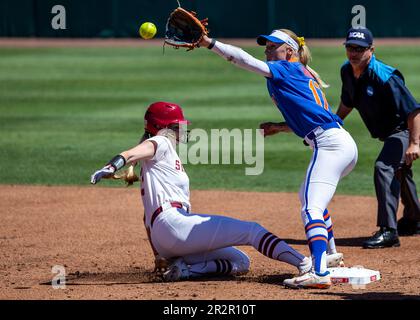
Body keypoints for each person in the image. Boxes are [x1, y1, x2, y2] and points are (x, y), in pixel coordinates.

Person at [90, 102, 344, 284]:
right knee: (253, 231)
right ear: (162, 127)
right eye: (177, 125)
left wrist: (159, 255)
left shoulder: (155, 166)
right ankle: (306, 264)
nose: (181, 129)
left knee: (241, 263)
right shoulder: (161, 142)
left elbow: (146, 221)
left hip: (165, 238)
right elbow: (134, 151)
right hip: (174, 224)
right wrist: (113, 165)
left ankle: (185, 270)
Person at [198, 30, 358, 289]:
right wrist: (279, 127)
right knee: (309, 196)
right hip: (340, 143)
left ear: (289, 51)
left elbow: (241, 59)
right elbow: (312, 117)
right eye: (266, 47)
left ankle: (319, 272)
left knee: (310, 208)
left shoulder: (286, 68)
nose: (267, 51)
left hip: (329, 145)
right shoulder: (300, 71)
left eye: (273, 46)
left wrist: (210, 43)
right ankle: (329, 257)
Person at [337, 28, 420, 249]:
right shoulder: (347, 71)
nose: (354, 53)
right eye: (350, 47)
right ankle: (414, 219)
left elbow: (413, 111)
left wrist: (414, 143)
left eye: (359, 49)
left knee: (384, 167)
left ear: (371, 50)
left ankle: (389, 231)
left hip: (404, 130)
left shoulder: (385, 76)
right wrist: (334, 123)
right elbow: (348, 101)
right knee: (400, 170)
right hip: (390, 133)